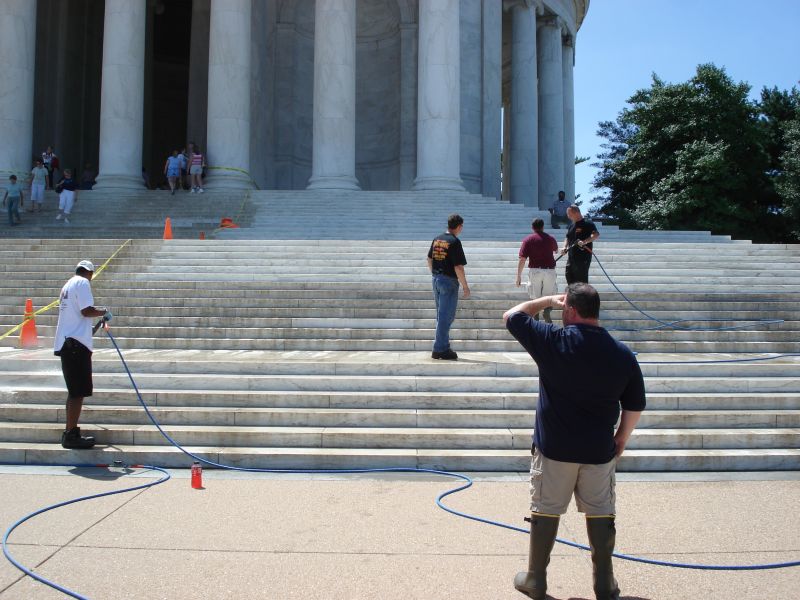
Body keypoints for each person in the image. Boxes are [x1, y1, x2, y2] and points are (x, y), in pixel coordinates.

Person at [503, 283, 645, 600]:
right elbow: (634, 404)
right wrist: (621, 438)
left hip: (555, 448)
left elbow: (511, 316)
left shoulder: (553, 340)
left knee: (546, 509)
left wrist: (544, 300)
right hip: (598, 449)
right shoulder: (622, 353)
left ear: (569, 309)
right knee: (601, 512)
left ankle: (536, 580)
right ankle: (605, 584)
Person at [53, 260, 112, 449]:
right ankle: (71, 435)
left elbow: (79, 320)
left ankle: (69, 431)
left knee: (73, 392)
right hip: (76, 346)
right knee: (78, 393)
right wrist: (104, 311)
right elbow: (86, 311)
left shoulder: (68, 285)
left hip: (68, 343)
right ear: (91, 274)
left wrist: (98, 322)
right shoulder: (83, 283)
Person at [426, 214, 470, 360]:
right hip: (449, 281)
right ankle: (440, 349)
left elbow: (429, 259)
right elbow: (458, 267)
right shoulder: (454, 241)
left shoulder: (437, 239)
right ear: (459, 227)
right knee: (446, 316)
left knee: (441, 315)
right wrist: (465, 286)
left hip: (437, 279)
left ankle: (442, 345)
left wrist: (435, 274)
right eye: (461, 227)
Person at [516, 218, 559, 323]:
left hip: (535, 271)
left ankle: (535, 319)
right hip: (549, 271)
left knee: (535, 296)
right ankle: (547, 311)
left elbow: (522, 259)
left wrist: (518, 276)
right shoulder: (551, 238)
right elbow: (556, 251)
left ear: (532, 227)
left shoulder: (528, 240)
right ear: (543, 227)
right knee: (548, 296)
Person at [560, 204, 599, 285]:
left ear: (576, 213)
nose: (568, 216)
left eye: (569, 214)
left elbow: (595, 235)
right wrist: (564, 247)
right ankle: (572, 297)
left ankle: (584, 297)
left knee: (581, 282)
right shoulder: (571, 226)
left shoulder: (588, 223)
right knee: (569, 278)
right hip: (571, 258)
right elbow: (567, 237)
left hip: (582, 258)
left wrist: (585, 242)